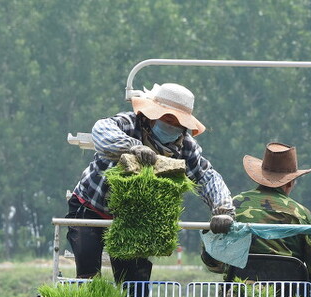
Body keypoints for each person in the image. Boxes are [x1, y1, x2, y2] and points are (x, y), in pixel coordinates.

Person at [66, 82, 235, 283]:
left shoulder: (185, 147)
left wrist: (223, 209)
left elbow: (206, 176)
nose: (171, 126)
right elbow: (102, 130)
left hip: (133, 218)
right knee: (88, 275)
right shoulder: (129, 124)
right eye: (167, 119)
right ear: (153, 115)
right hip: (91, 206)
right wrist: (132, 148)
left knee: (135, 282)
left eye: (177, 123)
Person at [202, 142, 311, 285]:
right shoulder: (303, 215)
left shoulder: (231, 208)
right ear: (290, 182)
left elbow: (212, 263)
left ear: (259, 175)